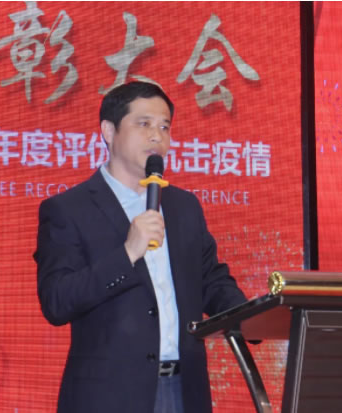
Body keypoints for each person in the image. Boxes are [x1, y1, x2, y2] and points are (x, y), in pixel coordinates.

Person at [34, 81, 247, 413]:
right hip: (108, 397)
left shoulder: (184, 206)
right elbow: (57, 301)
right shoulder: (68, 210)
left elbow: (211, 282)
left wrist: (255, 317)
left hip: (184, 390)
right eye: (144, 123)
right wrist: (127, 254)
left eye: (164, 127)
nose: (156, 136)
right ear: (109, 131)